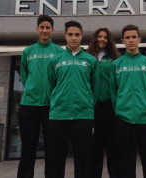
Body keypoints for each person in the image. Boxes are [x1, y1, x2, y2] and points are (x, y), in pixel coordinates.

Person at [45, 20, 99, 178]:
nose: (73, 38)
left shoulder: (91, 60)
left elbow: (95, 88)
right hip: (58, 115)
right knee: (56, 159)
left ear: (82, 36)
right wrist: (57, 102)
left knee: (84, 159)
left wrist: (88, 104)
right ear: (65, 36)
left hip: (83, 116)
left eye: (77, 34)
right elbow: (50, 86)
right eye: (70, 34)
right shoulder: (55, 60)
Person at [110, 24, 146, 178]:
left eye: (133, 37)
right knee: (125, 159)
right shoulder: (116, 64)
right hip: (124, 117)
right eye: (127, 37)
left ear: (139, 39)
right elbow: (114, 91)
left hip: (145, 117)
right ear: (123, 40)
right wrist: (119, 110)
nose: (131, 40)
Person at [17, 15, 64, 178]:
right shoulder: (28, 52)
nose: (44, 30)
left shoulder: (59, 52)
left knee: (53, 148)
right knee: (28, 147)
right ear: (37, 29)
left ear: (52, 30)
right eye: (41, 27)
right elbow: (25, 75)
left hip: (52, 107)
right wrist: (32, 89)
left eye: (47, 27)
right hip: (29, 105)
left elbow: (62, 77)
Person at [87, 28, 120, 178]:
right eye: (99, 36)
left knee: (112, 145)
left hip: (109, 106)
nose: (102, 39)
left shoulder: (114, 58)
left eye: (105, 37)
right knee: (94, 146)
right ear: (95, 38)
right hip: (92, 106)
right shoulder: (87, 57)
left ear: (109, 40)